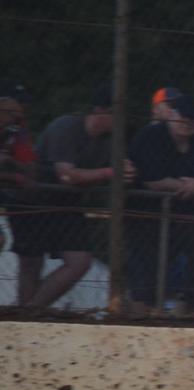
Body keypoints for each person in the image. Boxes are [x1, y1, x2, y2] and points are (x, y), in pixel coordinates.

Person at [11, 84, 135, 308]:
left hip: (68, 203)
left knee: (80, 262)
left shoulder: (110, 141)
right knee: (31, 263)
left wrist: (125, 171)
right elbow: (67, 176)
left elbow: (116, 168)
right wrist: (111, 172)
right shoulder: (66, 127)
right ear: (100, 110)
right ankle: (25, 315)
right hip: (34, 200)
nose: (122, 120)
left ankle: (29, 312)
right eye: (118, 113)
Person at [126, 94, 194, 315]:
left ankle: (182, 309)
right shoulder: (152, 136)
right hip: (146, 218)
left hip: (184, 218)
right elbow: (152, 181)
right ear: (171, 114)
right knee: (144, 276)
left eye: (192, 119)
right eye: (182, 117)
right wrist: (187, 187)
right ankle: (137, 318)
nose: (186, 123)